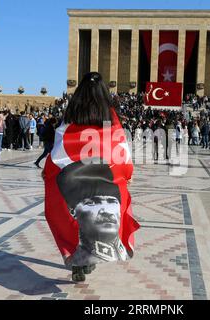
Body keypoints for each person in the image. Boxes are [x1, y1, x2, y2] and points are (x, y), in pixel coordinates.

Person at [43, 72, 140, 282]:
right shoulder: (109, 114)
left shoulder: (71, 113)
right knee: (106, 212)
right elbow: (118, 144)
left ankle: (80, 261)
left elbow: (60, 146)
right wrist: (127, 172)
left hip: (74, 173)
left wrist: (50, 171)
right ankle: (88, 258)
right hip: (103, 173)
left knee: (74, 218)